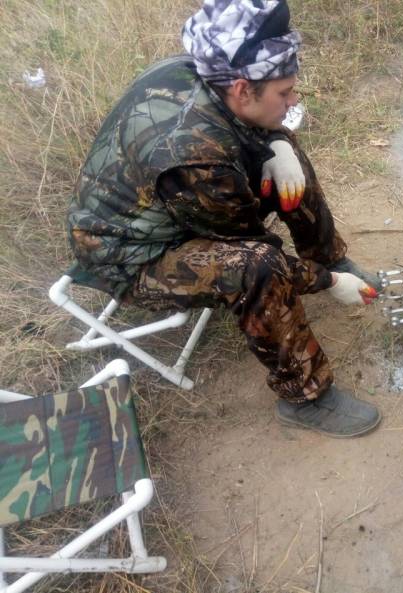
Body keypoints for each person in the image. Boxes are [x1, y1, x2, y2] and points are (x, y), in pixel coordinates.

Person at [66, 0, 382, 438]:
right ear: (241, 88)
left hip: (180, 208)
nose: (293, 102)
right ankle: (306, 399)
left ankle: (330, 257)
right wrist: (325, 286)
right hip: (131, 253)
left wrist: (277, 140)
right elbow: (250, 247)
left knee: (289, 164)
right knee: (258, 269)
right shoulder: (194, 159)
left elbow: (248, 127)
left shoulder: (203, 70)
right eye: (284, 94)